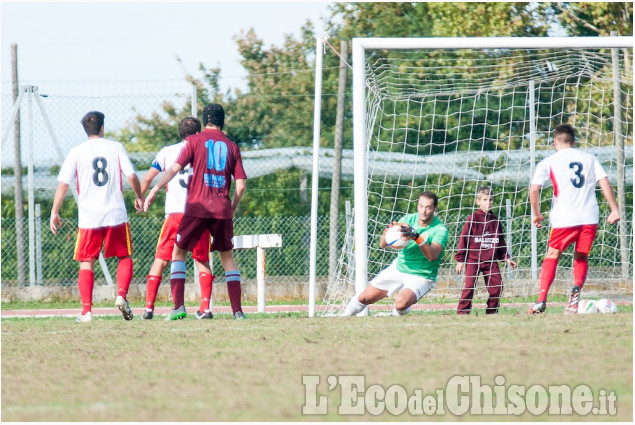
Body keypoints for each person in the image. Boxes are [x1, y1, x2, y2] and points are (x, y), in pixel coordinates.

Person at [144, 103, 248, 319]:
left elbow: (174, 168)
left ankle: (178, 307)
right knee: (226, 258)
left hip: (197, 207)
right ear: (223, 120)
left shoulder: (193, 141)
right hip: (221, 209)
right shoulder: (232, 146)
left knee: (178, 253)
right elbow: (241, 186)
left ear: (205, 119)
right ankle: (237, 312)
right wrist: (232, 208)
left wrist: (155, 189)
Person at [50, 111, 144, 323]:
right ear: (103, 128)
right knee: (124, 256)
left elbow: (64, 183)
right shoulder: (115, 147)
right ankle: (121, 295)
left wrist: (55, 211)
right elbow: (131, 176)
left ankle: (87, 312)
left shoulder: (76, 151)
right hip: (116, 213)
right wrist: (139, 196)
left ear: (86, 130)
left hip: (89, 217)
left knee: (86, 262)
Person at [529, 123, 620, 314]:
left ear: (555, 142)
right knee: (581, 256)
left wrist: (536, 213)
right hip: (589, 217)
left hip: (564, 218)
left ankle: (541, 300)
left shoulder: (549, 162)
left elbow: (535, 188)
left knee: (552, 255)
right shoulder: (589, 158)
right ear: (574, 141)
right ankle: (577, 288)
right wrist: (614, 209)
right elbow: (604, 181)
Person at [140, 116, 215, 321]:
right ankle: (206, 308)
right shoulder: (206, 150)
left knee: (162, 260)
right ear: (198, 133)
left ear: (179, 133)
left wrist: (141, 198)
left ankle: (150, 309)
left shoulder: (167, 152)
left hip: (174, 213)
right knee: (202, 261)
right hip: (200, 212)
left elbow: (147, 177)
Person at [341, 191, 448, 317]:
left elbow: (432, 256)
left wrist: (417, 237)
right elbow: (382, 244)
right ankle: (342, 318)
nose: (423, 211)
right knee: (364, 298)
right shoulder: (407, 220)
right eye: (421, 206)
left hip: (421, 275)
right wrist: (388, 233)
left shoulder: (440, 229)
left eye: (428, 207)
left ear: (435, 208)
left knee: (400, 303)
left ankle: (395, 316)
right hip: (399, 267)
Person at [454, 185, 517, 315]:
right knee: (469, 287)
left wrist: (506, 257)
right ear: (478, 201)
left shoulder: (495, 221)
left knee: (497, 287)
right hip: (473, 260)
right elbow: (464, 239)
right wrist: (460, 260)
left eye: (491, 200)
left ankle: (492, 311)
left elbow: (501, 242)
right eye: (485, 199)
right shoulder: (472, 219)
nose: (488, 202)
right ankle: (462, 313)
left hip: (491, 261)